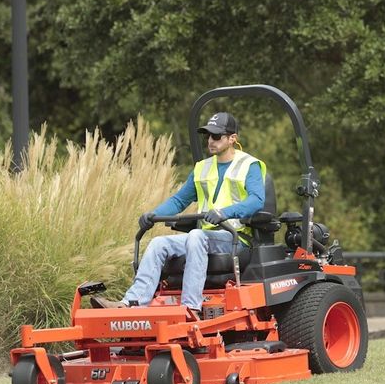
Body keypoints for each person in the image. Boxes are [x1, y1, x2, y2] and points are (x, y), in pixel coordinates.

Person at [93, 112, 266, 316]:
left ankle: (190, 308)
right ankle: (132, 302)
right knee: (159, 243)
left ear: (232, 138)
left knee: (195, 236)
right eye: (208, 136)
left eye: (217, 136)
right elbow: (179, 200)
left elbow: (257, 200)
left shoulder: (249, 165)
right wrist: (153, 214)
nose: (210, 141)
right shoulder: (202, 168)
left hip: (234, 237)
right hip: (205, 237)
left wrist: (224, 213)